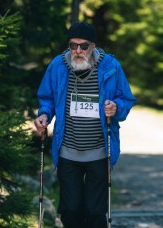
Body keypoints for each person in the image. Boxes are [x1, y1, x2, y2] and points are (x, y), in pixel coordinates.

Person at [34, 21, 136, 228]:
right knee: (70, 209)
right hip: (67, 152)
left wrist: (115, 107)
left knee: (96, 211)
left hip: (99, 152)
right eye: (73, 45)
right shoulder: (57, 65)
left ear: (94, 46)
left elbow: (126, 99)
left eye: (84, 46)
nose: (78, 50)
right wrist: (44, 115)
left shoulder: (111, 66)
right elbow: (47, 98)